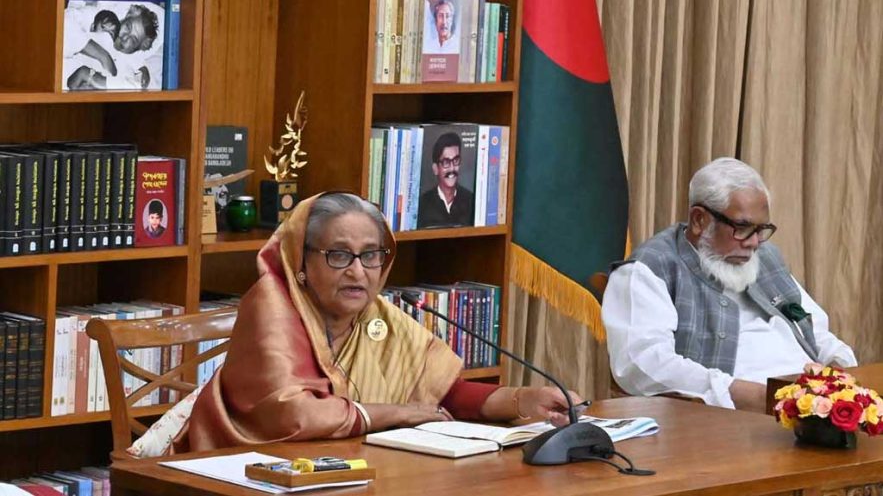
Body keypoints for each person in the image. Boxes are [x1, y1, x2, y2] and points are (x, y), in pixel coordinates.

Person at [177, 192, 581, 451]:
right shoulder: (272, 306)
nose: (358, 272)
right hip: (236, 469)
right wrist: (396, 413)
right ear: (300, 261)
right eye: (339, 255)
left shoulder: (379, 317)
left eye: (371, 255)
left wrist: (520, 400)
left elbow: (443, 393)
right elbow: (293, 416)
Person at [603, 158, 856, 413]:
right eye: (743, 228)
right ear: (699, 220)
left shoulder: (765, 256)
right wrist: (738, 392)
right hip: (733, 415)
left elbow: (812, 329)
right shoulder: (649, 269)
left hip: (812, 404)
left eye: (761, 229)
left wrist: (839, 367)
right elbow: (641, 363)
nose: (754, 243)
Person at [417, 132, 474, 228]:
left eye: (456, 160)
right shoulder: (422, 204)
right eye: (446, 162)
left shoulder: (471, 200)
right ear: (435, 169)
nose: (452, 168)